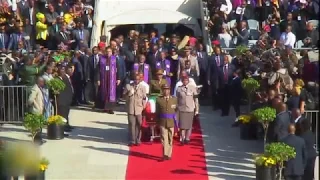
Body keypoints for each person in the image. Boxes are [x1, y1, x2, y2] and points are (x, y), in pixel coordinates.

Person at [124, 73, 147, 146]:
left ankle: (138, 140)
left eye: (138, 79)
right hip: (131, 108)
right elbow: (123, 97)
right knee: (131, 125)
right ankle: (132, 140)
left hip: (139, 109)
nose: (136, 81)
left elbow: (144, 98)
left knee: (139, 125)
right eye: (135, 79)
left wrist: (143, 107)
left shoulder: (143, 87)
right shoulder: (129, 86)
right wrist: (129, 93)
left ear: (140, 80)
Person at [156, 84, 177, 161]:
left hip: (171, 122)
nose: (166, 91)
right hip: (162, 122)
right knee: (164, 139)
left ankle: (169, 154)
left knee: (170, 138)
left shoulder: (174, 99)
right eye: (164, 89)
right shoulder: (159, 100)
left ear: (169, 90)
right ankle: (165, 154)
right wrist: (157, 123)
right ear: (162, 90)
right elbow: (157, 112)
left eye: (167, 89)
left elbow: (176, 110)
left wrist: (177, 122)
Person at [176, 76, 198, 145]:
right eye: (184, 80)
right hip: (181, 108)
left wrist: (197, 109)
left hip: (190, 108)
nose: (185, 81)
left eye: (186, 80)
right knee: (182, 125)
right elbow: (176, 99)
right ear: (182, 81)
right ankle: (182, 138)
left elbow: (196, 99)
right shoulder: (179, 89)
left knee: (189, 125)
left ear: (188, 81)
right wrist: (176, 108)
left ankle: (187, 138)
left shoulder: (192, 88)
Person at [96, 47, 118, 114]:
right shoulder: (102, 59)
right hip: (104, 79)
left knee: (111, 93)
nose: (108, 53)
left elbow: (118, 68)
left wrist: (119, 78)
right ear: (105, 52)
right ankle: (105, 108)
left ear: (112, 52)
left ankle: (110, 109)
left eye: (110, 51)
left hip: (112, 79)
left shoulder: (114, 59)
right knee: (105, 92)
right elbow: (97, 70)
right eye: (107, 51)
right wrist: (98, 79)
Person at [56, 66, 74, 133]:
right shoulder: (57, 79)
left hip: (67, 99)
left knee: (66, 113)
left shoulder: (65, 78)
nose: (63, 71)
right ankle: (63, 128)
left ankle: (66, 125)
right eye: (61, 70)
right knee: (62, 114)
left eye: (63, 69)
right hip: (62, 99)